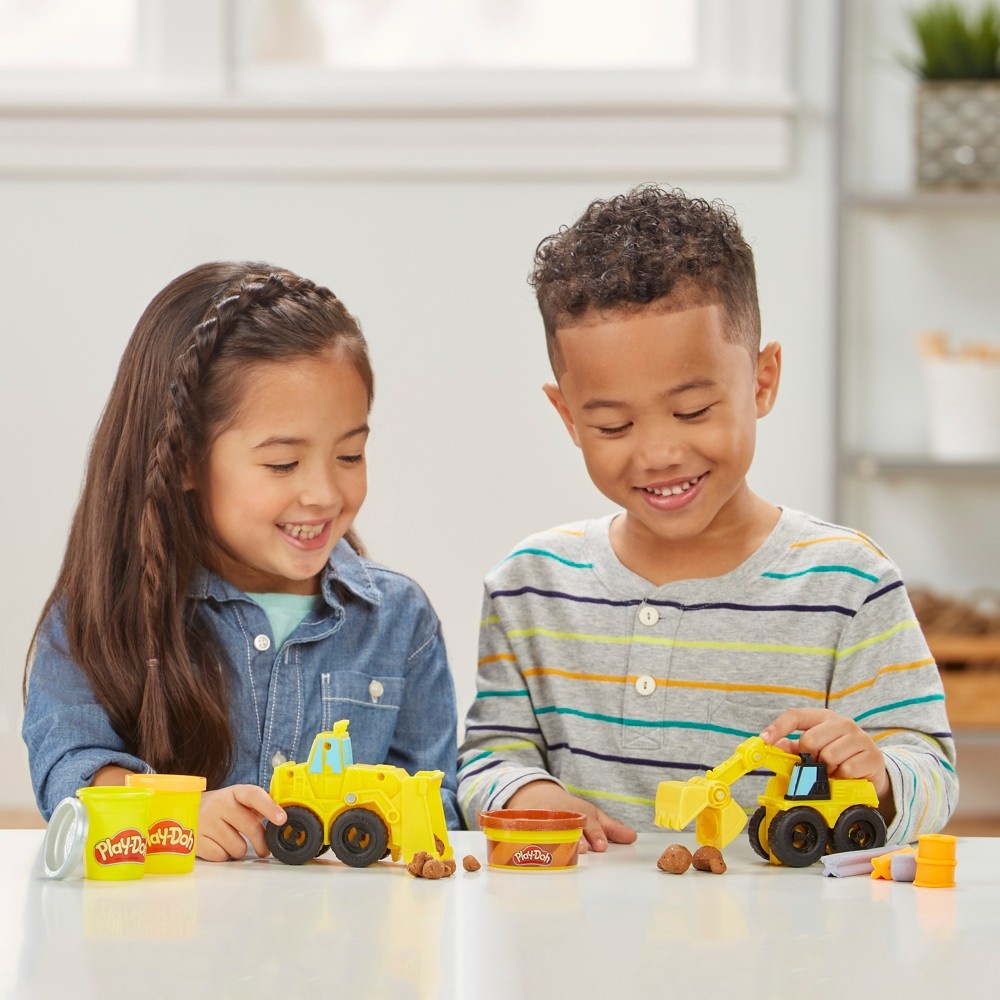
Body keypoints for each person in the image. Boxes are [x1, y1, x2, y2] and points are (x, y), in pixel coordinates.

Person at [456, 186, 957, 852]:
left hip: (788, 947)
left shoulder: (846, 583)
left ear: (762, 380)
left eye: (693, 412)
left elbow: (933, 772)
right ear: (568, 417)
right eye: (613, 423)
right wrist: (528, 794)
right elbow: (488, 758)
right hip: (576, 943)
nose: (659, 452)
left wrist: (882, 775)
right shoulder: (530, 585)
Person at [23, 262, 459, 860]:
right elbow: (70, 770)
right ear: (182, 460)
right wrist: (171, 815)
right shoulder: (101, 613)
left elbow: (434, 805)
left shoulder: (398, 620)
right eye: (283, 464)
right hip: (164, 938)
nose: (326, 494)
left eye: (350, 454)